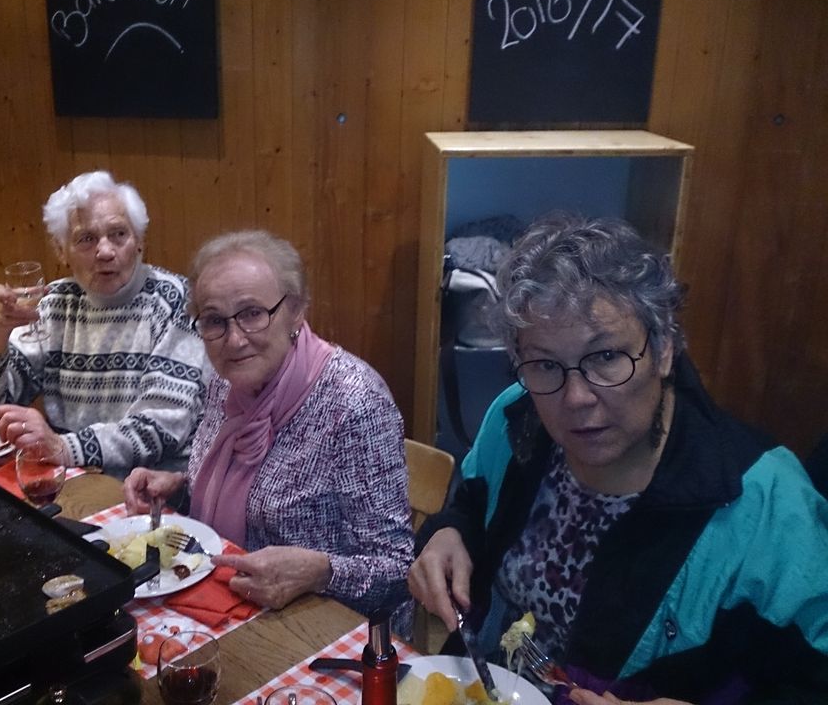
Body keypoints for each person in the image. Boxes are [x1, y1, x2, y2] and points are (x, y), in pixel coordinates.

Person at [408, 214, 828, 704]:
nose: (576, 397)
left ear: (663, 348)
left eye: (606, 356)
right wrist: (447, 533)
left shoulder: (766, 504)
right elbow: (472, 506)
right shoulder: (516, 418)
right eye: (545, 364)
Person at [123, 230, 413, 616]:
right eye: (214, 320)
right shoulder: (225, 383)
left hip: (319, 624)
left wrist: (320, 573)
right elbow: (239, 496)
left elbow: (397, 570)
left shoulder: (354, 404)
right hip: (227, 599)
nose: (234, 340)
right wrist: (177, 490)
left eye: (252, 314)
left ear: (296, 310)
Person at [0, 170, 207, 475]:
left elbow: (160, 427)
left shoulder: (176, 302)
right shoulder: (55, 304)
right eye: (86, 239)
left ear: (140, 241)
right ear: (61, 251)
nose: (105, 251)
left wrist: (63, 447)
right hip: (75, 477)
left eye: (119, 234)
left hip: (151, 486)